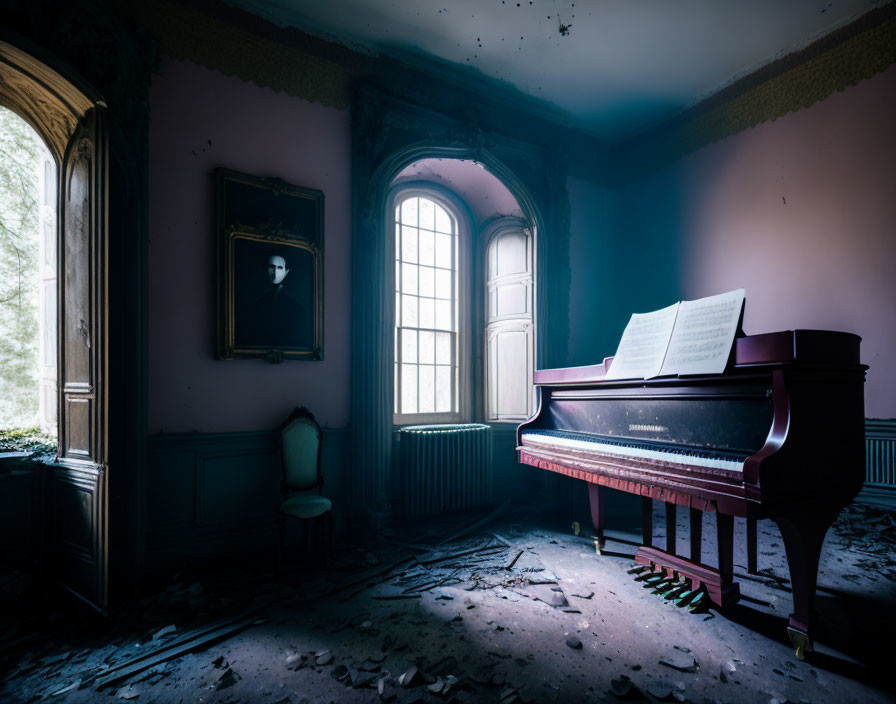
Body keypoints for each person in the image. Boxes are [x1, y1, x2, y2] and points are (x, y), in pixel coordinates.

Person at [236, 252, 311, 348]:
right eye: (272, 267)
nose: (275, 272)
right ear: (266, 269)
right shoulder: (253, 306)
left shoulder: (298, 309)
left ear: (286, 271)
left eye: (280, 268)